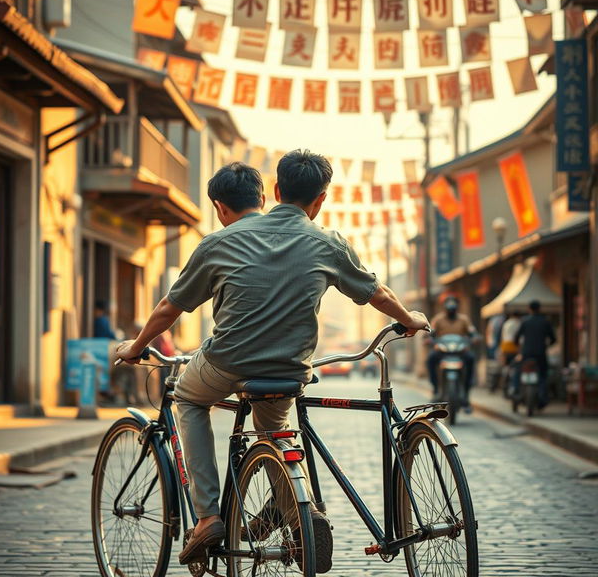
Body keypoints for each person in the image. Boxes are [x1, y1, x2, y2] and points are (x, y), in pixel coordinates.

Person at [116, 153, 429, 569]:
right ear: (320, 199)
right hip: (288, 368)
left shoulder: (217, 243)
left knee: (188, 400)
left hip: (226, 361)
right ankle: (299, 517)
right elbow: (378, 294)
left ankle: (208, 517)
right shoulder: (327, 242)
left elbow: (168, 309)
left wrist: (135, 347)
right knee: (275, 431)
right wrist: (410, 319)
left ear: (275, 193)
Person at [427, 296, 476, 406]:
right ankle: (435, 388)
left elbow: (471, 331)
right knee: (431, 359)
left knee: (471, 359)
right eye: (449, 309)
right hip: (442, 351)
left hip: (460, 351)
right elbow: (431, 332)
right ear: (445, 308)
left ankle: (467, 390)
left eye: (453, 309)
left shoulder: (464, 319)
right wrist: (429, 338)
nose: (451, 311)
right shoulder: (438, 319)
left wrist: (473, 337)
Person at [513, 300, 556, 408]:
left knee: (518, 370)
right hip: (541, 354)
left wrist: (519, 347)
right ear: (539, 309)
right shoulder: (545, 321)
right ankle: (543, 396)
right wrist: (546, 346)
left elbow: (516, 338)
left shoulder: (525, 321)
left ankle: (516, 390)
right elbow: (553, 339)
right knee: (542, 376)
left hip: (526, 353)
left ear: (529, 309)